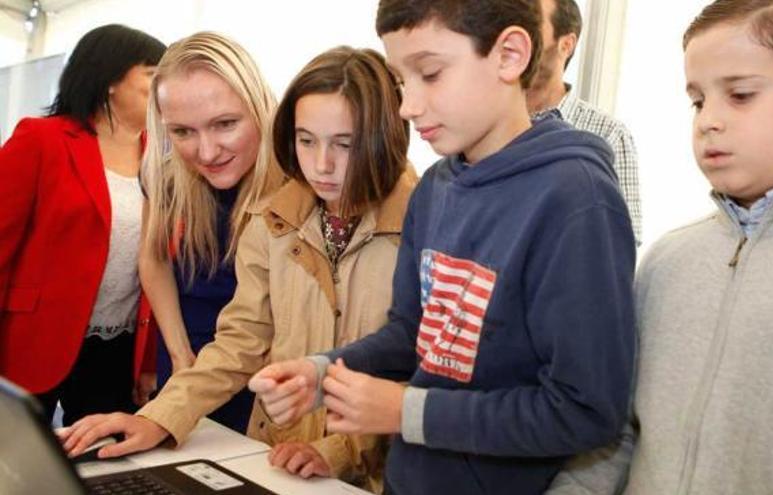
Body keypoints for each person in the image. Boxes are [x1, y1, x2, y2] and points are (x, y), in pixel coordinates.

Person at [248, 1, 637, 494]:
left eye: (430, 74)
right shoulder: (436, 187)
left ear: (510, 54)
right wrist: (321, 372)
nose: (409, 105)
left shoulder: (575, 197)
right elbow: (412, 334)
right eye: (401, 80)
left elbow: (585, 410)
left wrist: (407, 410)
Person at [547, 0, 773, 494]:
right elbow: (616, 438)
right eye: (698, 100)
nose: (708, 122)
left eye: (741, 95)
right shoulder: (667, 260)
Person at [61, 45, 415, 493]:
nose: (322, 164)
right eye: (306, 141)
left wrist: (339, 449)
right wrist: (158, 417)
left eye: (344, 144)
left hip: (379, 469)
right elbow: (242, 338)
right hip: (279, 453)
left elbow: (418, 374)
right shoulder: (272, 219)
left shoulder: (426, 222)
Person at [0, 24, 166, 425]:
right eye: (152, 73)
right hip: (33, 339)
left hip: (117, 346)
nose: (165, 86)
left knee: (104, 465)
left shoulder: (163, 161)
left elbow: (160, 270)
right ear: (111, 78)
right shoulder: (42, 139)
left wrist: (148, 359)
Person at [138, 31, 285, 433]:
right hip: (188, 352)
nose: (206, 152)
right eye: (182, 132)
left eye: (225, 124)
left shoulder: (301, 178)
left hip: (268, 364)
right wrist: (180, 353)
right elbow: (153, 260)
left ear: (260, 107)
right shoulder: (163, 175)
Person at [526, 0, 642, 243]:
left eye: (532, 24)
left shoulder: (609, 135)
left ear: (566, 44)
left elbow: (621, 240)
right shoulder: (487, 123)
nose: (519, 36)